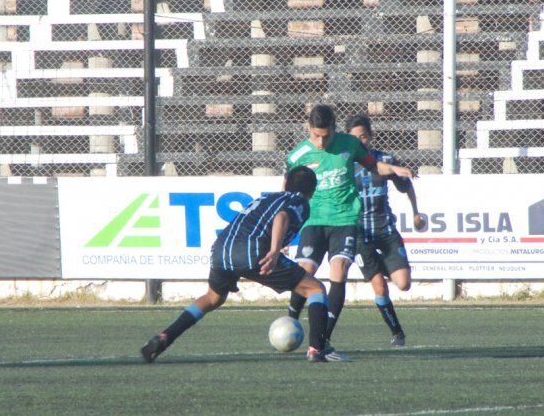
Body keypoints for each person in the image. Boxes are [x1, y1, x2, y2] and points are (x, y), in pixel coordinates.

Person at [140, 166, 345, 363]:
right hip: (252, 251)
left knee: (212, 298)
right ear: (312, 190)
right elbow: (282, 216)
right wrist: (274, 251)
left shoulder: (266, 197)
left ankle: (165, 337)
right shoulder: (299, 201)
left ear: (285, 184)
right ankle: (317, 349)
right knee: (315, 288)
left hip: (221, 251)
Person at [285, 104, 414, 350]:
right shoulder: (297, 156)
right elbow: (287, 191)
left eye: (326, 136)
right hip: (313, 221)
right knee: (305, 271)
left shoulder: (349, 144)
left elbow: (373, 165)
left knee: (339, 270)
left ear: (334, 129)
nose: (321, 142)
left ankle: (322, 339)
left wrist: (394, 169)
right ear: (308, 128)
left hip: (344, 220)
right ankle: (291, 319)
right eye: (316, 136)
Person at [346, 114, 425, 346]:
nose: (360, 142)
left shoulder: (385, 159)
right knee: (379, 285)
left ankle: (381, 265)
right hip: (360, 234)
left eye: (363, 137)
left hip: (385, 229)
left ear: (370, 136)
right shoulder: (345, 165)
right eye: (355, 139)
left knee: (403, 284)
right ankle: (397, 333)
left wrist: (416, 213)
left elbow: (405, 185)